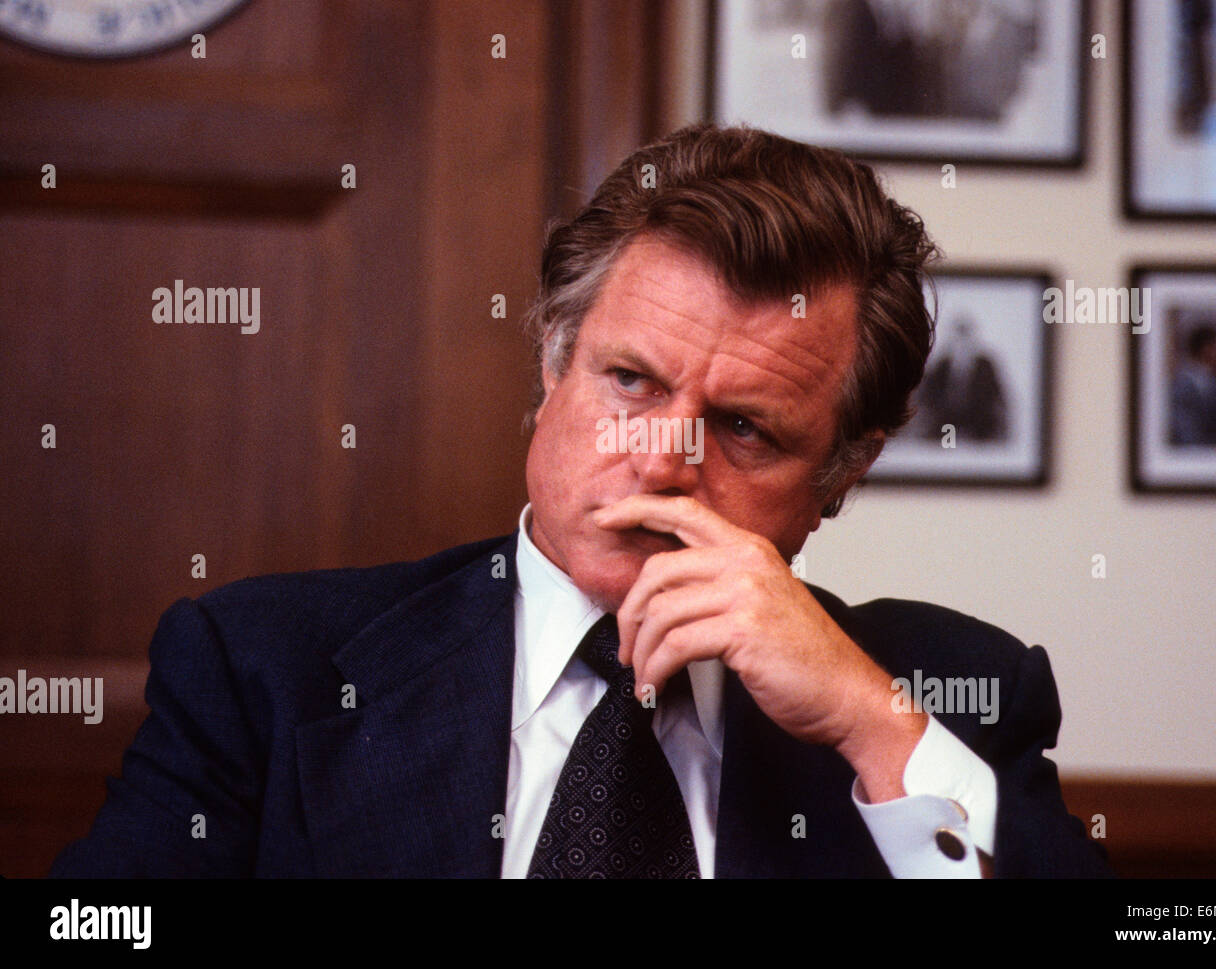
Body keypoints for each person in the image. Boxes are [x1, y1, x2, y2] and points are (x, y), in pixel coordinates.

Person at [50, 123, 1109, 878]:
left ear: (838, 477)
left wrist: (872, 729)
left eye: (745, 429)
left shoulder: (951, 691)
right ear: (553, 366)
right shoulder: (261, 668)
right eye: (630, 381)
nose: (662, 460)